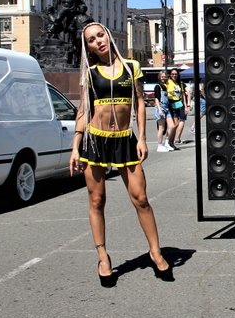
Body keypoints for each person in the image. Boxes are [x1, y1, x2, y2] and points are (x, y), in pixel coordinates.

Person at [71, 23, 172, 286]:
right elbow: (83, 110)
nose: (98, 41)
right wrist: (76, 146)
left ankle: (155, 252)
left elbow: (139, 101)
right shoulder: (89, 73)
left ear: (108, 36)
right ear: (88, 47)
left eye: (100, 35)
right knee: (97, 200)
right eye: (91, 40)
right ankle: (102, 256)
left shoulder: (131, 67)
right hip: (95, 140)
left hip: (125, 140)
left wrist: (142, 137)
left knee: (141, 198)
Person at [166, 68, 188, 148]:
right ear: (170, 75)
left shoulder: (179, 83)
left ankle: (170, 141)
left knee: (178, 123)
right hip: (171, 103)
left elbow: (183, 95)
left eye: (175, 74)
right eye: (172, 74)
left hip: (179, 103)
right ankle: (168, 140)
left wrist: (185, 106)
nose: (174, 75)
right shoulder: (168, 82)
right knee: (174, 124)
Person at [153, 70, 171, 152]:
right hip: (161, 107)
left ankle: (166, 143)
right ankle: (159, 145)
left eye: (165, 76)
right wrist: (159, 109)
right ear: (159, 77)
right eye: (162, 76)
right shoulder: (157, 86)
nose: (163, 78)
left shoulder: (165, 86)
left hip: (166, 107)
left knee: (171, 126)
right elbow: (156, 98)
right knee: (161, 128)